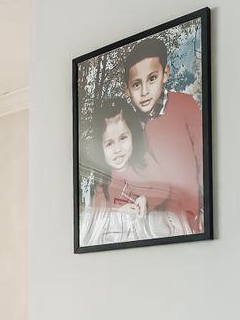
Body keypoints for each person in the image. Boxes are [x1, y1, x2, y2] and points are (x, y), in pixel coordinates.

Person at [81, 97, 194, 244]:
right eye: (109, 143)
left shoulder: (143, 162)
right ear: (100, 147)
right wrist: (118, 213)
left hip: (149, 232)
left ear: (133, 135)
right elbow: (100, 214)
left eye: (123, 138)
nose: (117, 149)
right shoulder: (102, 180)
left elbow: (164, 190)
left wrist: (146, 200)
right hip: (121, 236)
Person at [120, 37, 205, 232]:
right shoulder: (130, 126)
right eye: (136, 84)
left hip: (191, 219)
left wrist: (205, 208)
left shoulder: (184, 105)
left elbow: (203, 156)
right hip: (152, 223)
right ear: (127, 89)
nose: (144, 91)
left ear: (165, 73)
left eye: (152, 79)